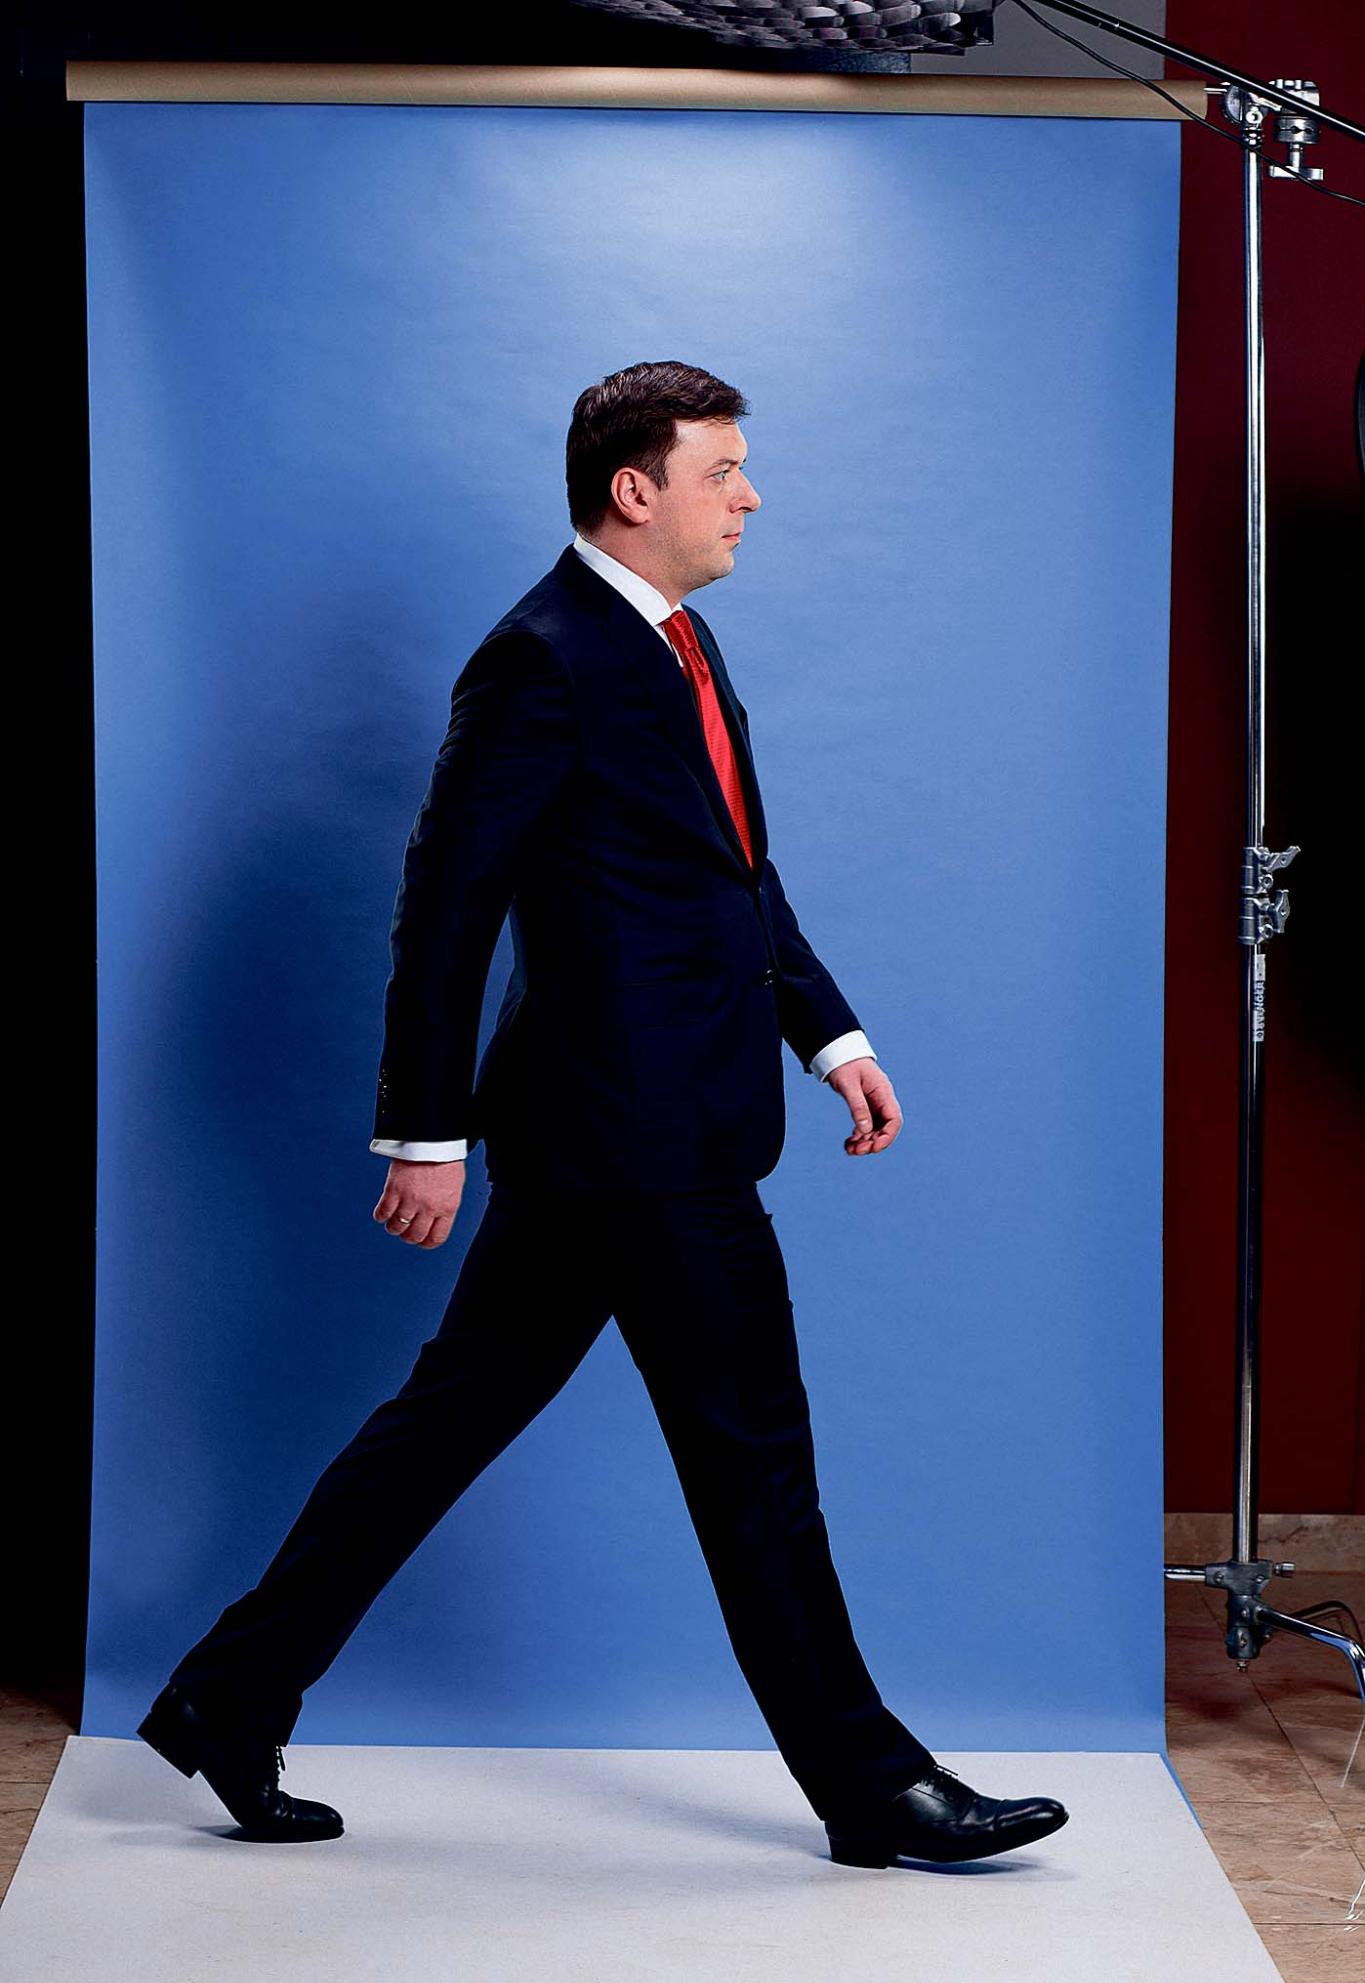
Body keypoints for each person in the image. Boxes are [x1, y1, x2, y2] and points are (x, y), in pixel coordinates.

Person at [139, 360, 1069, 1869]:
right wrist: (425, 1132)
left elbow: (732, 873)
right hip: (640, 1139)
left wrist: (827, 1033)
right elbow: (448, 901)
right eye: (723, 470)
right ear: (635, 491)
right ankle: (871, 1789)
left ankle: (227, 1694)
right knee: (754, 1461)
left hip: (629, 1129)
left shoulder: (682, 644)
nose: (750, 496)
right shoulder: (541, 657)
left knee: (447, 1424)